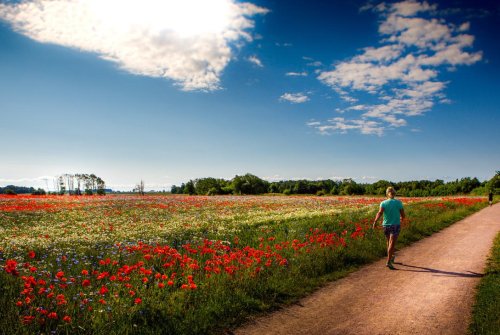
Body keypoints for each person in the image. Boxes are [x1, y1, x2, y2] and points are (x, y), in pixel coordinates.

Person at [372, 187, 405, 270]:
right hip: (395, 225)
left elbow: (379, 213)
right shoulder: (398, 203)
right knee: (392, 243)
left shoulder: (383, 203)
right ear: (394, 193)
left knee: (388, 242)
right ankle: (388, 261)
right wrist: (402, 218)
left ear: (387, 194)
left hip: (385, 225)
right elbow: (403, 214)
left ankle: (392, 257)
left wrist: (375, 222)